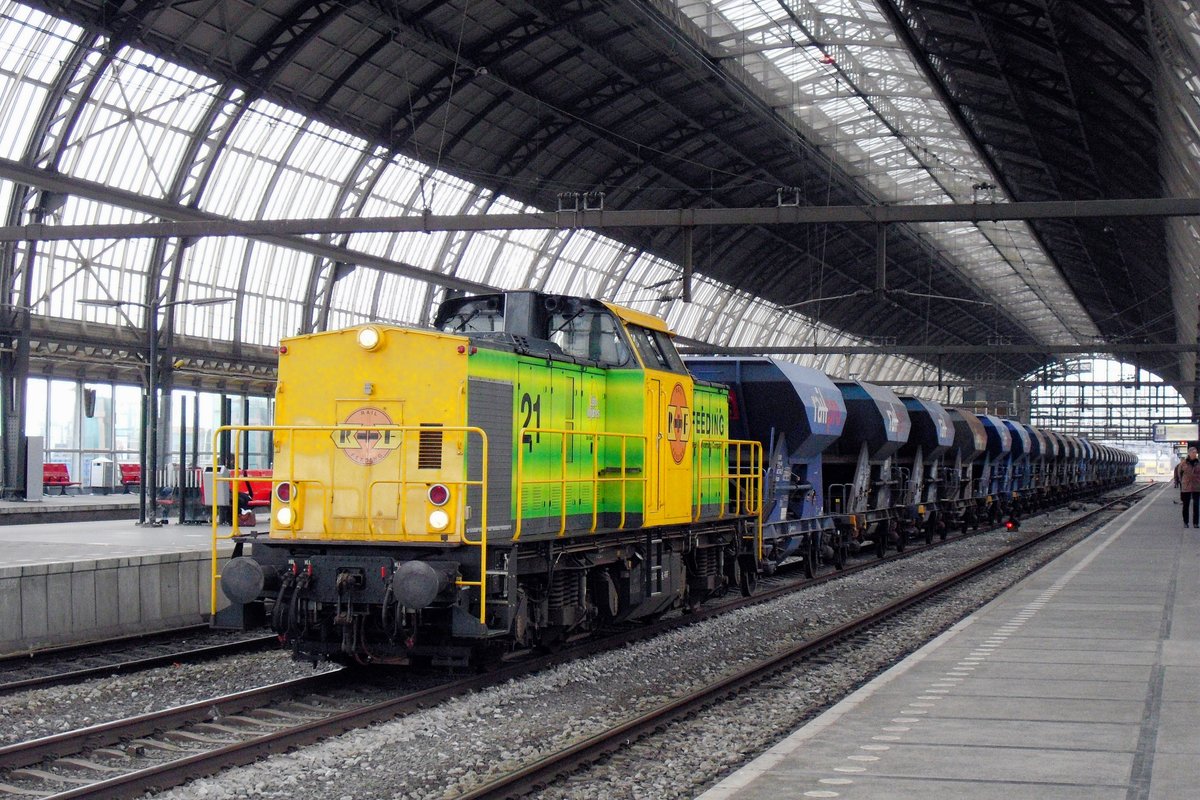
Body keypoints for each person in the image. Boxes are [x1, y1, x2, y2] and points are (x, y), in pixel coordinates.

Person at [1174, 446, 1200, 527]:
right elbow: (1179, 474)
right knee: (1186, 505)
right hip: (1186, 487)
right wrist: (1182, 482)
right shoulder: (1183, 463)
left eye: (1195, 452)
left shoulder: (1198, 463)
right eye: (1193, 452)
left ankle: (1195, 523)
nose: (1195, 454)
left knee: (1196, 505)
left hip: (1197, 486)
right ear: (1189, 453)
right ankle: (1186, 522)